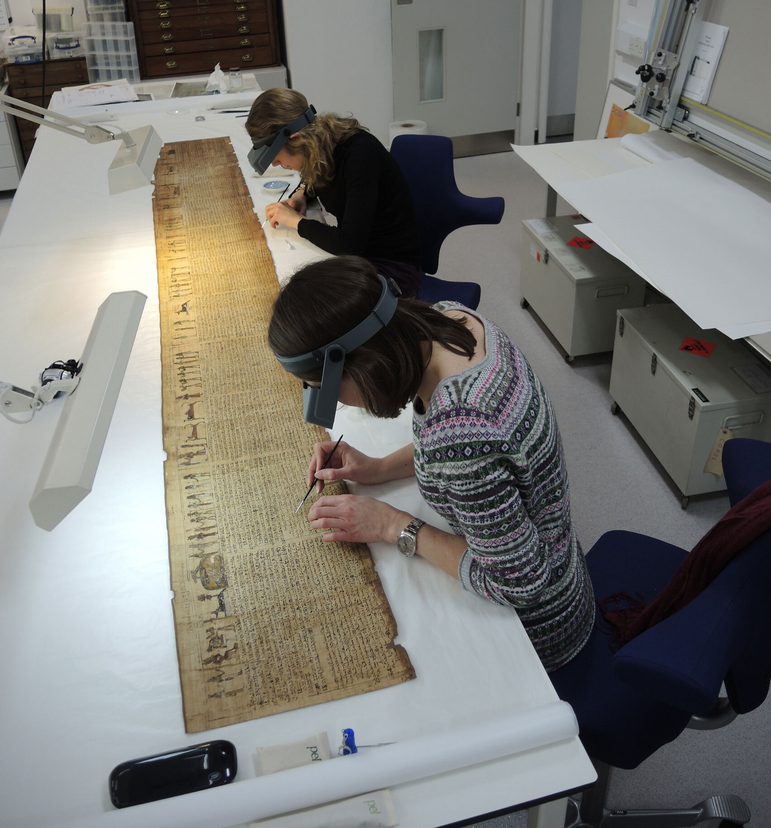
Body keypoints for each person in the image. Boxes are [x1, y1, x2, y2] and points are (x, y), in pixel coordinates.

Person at [268, 255, 595, 672]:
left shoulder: (461, 428)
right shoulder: (451, 322)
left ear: (362, 366)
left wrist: (391, 525)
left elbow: (519, 584)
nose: (335, 404)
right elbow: (466, 454)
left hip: (539, 627)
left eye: (325, 389)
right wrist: (377, 468)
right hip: (558, 558)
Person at [245, 88, 423, 296]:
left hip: (394, 270)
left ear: (297, 139)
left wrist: (296, 221)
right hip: (363, 256)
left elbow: (349, 244)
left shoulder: (360, 154)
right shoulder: (322, 144)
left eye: (277, 158)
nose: (275, 164)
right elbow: (323, 172)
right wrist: (302, 194)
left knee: (306, 296)